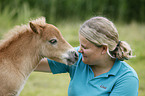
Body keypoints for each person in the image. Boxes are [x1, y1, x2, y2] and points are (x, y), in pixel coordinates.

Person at [35, 17, 139, 96]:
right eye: (80, 44)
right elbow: (31, 63)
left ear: (104, 49)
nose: (79, 50)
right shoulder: (78, 58)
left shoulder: (127, 79)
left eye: (84, 47)